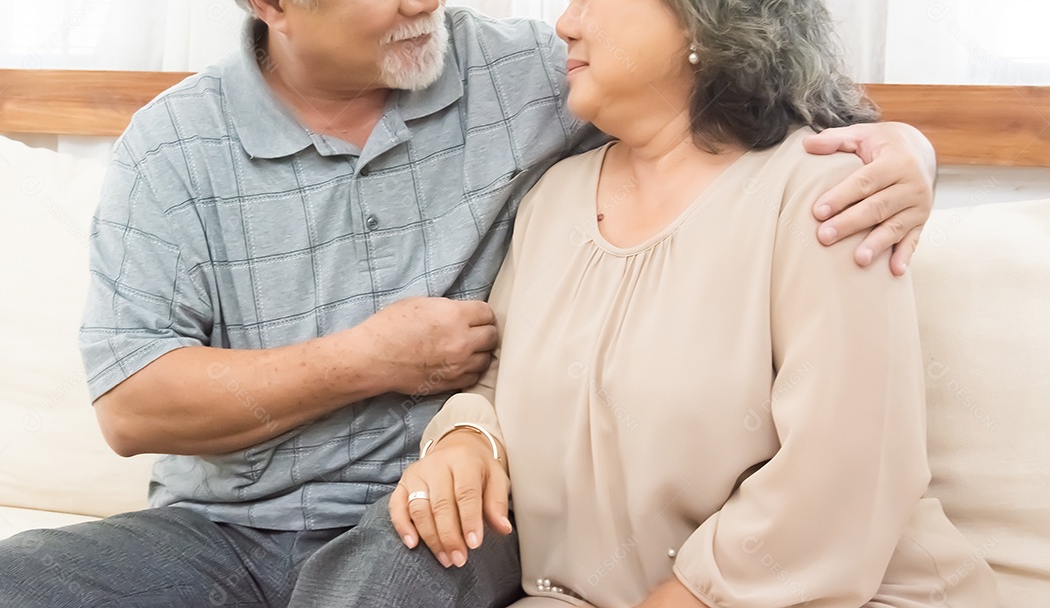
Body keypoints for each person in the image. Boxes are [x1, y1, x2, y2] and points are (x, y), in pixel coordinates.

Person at [0, 0, 941, 606]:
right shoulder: (173, 145)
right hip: (222, 528)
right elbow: (131, 406)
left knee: (384, 582)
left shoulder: (522, 80)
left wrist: (905, 148)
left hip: (437, 521)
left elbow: (759, 79)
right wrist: (382, 367)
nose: (424, 1)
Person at [386, 0, 1000, 606]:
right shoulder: (552, 200)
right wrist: (468, 441)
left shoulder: (827, 192)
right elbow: (499, 385)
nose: (565, 24)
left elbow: (848, 467)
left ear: (703, 18)